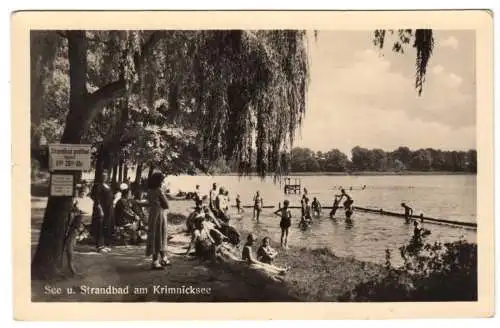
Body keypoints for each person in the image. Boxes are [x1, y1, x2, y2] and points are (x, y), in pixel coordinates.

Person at [146, 172, 170, 270]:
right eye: (162, 180)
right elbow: (166, 205)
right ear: (159, 181)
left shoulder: (150, 191)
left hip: (152, 215)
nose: (163, 182)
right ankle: (155, 262)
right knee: (160, 236)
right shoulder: (159, 190)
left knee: (155, 236)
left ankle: (163, 258)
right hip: (160, 215)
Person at [90, 170, 114, 253]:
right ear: (100, 177)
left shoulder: (108, 185)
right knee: (100, 226)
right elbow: (97, 199)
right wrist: (100, 209)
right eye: (103, 176)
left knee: (106, 226)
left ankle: (105, 244)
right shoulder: (98, 186)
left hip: (109, 209)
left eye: (106, 176)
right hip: (102, 209)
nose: (105, 177)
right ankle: (99, 246)